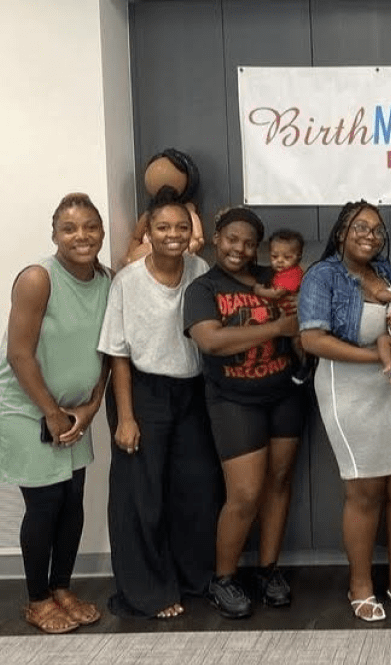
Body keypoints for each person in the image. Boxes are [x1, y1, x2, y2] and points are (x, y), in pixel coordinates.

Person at [298, 201, 391, 621]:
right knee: (365, 489)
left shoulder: (386, 272)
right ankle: (360, 585)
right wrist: (375, 357)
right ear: (341, 232)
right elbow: (312, 340)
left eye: (376, 229)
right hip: (346, 387)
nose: (370, 235)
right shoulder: (323, 276)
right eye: (360, 227)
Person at [98, 187, 221, 619]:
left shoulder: (199, 268)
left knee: (198, 490)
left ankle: (192, 579)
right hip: (143, 393)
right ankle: (147, 592)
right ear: (147, 232)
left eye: (181, 227)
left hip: (190, 394)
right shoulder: (128, 280)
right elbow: (117, 353)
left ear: (192, 233)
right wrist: (126, 417)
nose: (173, 234)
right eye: (163, 227)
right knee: (140, 496)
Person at [183, 206, 303, 619]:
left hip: (284, 393)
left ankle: (268, 570)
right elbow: (211, 341)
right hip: (233, 398)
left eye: (249, 242)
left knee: (280, 481)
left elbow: (303, 312)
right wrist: (276, 329)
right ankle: (224, 578)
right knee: (246, 493)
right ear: (217, 238)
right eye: (232, 239)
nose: (240, 248)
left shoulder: (273, 280)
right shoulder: (203, 288)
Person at [0, 193, 111, 633]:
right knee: (45, 505)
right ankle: (37, 598)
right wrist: (50, 412)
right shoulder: (37, 279)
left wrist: (91, 406)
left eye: (90, 226)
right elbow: (19, 355)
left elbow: (107, 352)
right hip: (28, 410)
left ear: (101, 232)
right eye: (69, 228)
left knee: (72, 503)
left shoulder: (107, 279)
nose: (81, 235)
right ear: (55, 235)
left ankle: (62, 587)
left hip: (74, 414)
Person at [252, 229, 312, 385]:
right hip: (285, 317)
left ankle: (307, 365)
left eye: (287, 257)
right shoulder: (280, 272)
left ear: (298, 257)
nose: (279, 261)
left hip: (295, 317)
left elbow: (278, 293)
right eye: (274, 256)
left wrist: (259, 290)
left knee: (297, 343)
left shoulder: (293, 273)